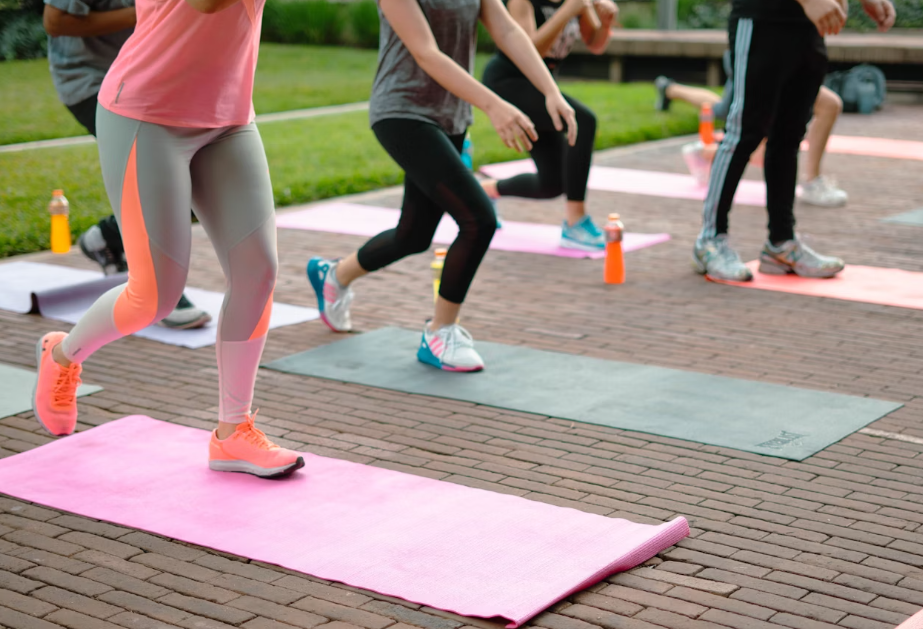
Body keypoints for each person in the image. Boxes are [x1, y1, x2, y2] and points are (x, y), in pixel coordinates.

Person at [33, 0, 304, 478]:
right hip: (146, 114)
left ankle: (233, 432)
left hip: (229, 117)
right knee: (153, 297)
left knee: (258, 271)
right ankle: (61, 354)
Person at [307, 0, 578, 372]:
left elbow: (507, 30)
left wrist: (550, 90)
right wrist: (494, 105)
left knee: (414, 235)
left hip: (449, 117)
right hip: (402, 112)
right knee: (478, 220)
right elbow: (426, 53)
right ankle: (440, 332)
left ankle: (334, 276)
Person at [691, 0, 895, 282]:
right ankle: (710, 240)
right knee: (743, 133)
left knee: (788, 136)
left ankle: (781, 244)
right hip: (763, 18)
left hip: (808, 25)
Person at [43, 0, 211, 330]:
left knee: (200, 185)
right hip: (93, 80)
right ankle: (160, 294)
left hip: (152, 76)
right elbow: (56, 21)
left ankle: (106, 236)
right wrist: (150, 9)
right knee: (158, 180)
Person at [478, 0, 619, 251]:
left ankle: (482, 192)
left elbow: (595, 45)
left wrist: (605, 23)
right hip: (508, 83)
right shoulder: (524, 2)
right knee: (583, 121)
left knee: (552, 183)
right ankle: (575, 223)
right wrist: (567, 11)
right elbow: (528, 51)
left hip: (541, 87)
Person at [654, 52, 849, 208]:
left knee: (727, 111)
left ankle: (670, 91)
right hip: (763, 55)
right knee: (759, 144)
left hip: (775, 56)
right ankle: (708, 152)